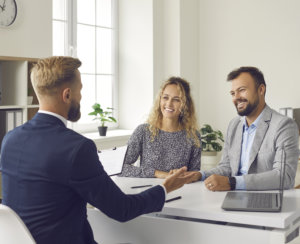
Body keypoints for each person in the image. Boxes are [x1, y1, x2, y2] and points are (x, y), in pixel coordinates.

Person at [0, 56, 197, 244]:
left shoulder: (10, 139)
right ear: (67, 95)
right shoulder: (77, 148)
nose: (81, 96)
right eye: (80, 90)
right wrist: (165, 187)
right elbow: (122, 209)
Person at [196, 66, 299, 191]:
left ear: (261, 89)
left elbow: (284, 177)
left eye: (242, 90)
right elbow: (226, 167)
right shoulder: (234, 125)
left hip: (265, 199)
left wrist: (233, 183)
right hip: (231, 195)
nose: (236, 97)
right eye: (233, 93)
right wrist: (199, 175)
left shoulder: (283, 125)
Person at [120, 77, 202, 179]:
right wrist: (158, 173)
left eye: (176, 100)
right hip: (147, 192)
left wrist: (183, 174)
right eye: (165, 98)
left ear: (185, 104)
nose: (169, 104)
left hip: (180, 192)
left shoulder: (193, 136)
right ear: (159, 99)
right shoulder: (143, 131)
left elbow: (195, 175)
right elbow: (120, 168)